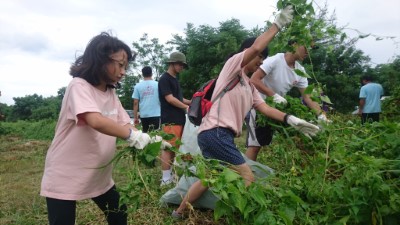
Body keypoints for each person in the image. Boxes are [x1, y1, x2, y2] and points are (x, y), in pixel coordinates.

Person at [172, 6, 319, 218]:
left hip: (215, 135)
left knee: (209, 178)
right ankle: (245, 216)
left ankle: (179, 213)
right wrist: (277, 25)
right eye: (259, 56)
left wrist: (292, 119)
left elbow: (265, 108)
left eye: (262, 57)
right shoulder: (233, 68)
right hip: (216, 132)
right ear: (247, 54)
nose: (260, 61)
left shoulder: (249, 86)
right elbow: (256, 45)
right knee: (247, 176)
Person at [40, 32, 157, 225]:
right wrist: (131, 136)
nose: (123, 71)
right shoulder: (79, 86)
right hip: (66, 171)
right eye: (120, 64)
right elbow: (95, 120)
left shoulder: (110, 92)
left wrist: (143, 137)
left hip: (97, 173)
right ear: (100, 59)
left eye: (125, 66)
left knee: (118, 211)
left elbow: (123, 121)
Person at [244, 40, 330, 161]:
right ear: (294, 44)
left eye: (310, 50)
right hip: (257, 105)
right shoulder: (276, 60)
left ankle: (249, 171)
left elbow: (307, 96)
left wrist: (321, 115)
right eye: (306, 48)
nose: (308, 53)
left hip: (274, 109)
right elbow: (254, 79)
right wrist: (273, 95)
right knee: (254, 145)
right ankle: (246, 175)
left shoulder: (300, 71)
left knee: (262, 142)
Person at [158, 51, 191, 186]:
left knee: (175, 148)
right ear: (172, 63)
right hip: (170, 119)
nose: (181, 67)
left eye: (183, 65)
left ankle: (170, 174)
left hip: (179, 118)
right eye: (180, 64)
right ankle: (165, 179)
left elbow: (179, 98)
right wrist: (186, 107)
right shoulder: (164, 79)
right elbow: (170, 99)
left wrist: (193, 101)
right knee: (168, 148)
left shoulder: (175, 79)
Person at [132, 66, 161, 132]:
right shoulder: (158, 85)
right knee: (155, 135)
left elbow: (135, 103)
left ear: (142, 74)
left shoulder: (137, 86)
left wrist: (135, 117)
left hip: (144, 115)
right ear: (151, 73)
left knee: (145, 134)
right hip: (156, 114)